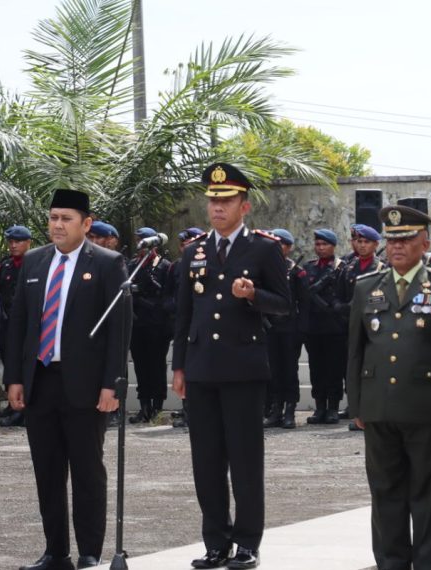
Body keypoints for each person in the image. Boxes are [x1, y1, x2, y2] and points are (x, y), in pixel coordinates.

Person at [171, 162, 290, 569]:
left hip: (243, 369)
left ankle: (247, 543)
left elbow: (285, 304)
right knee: (205, 461)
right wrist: (180, 367)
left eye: (226, 201)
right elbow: (183, 314)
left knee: (244, 460)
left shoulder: (264, 248)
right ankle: (215, 543)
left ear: (245, 205)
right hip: (202, 369)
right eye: (212, 200)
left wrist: (254, 294)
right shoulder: (194, 251)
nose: (217, 207)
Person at [5, 189, 129, 570]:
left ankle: (89, 551)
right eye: (53, 217)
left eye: (67, 219)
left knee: (88, 471)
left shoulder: (108, 263)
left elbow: (118, 331)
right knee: (47, 471)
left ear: (86, 224)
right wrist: (14, 378)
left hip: (86, 386)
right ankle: (55, 552)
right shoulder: (34, 262)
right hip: (41, 381)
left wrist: (112, 385)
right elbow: (19, 325)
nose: (57, 225)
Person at [347, 204, 431, 570]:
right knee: (385, 494)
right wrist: (357, 406)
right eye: (391, 240)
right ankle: (391, 563)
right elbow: (355, 351)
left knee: (427, 497)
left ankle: (426, 564)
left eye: (405, 239)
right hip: (378, 408)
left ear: (425, 242)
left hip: (427, 409)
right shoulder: (365, 287)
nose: (397, 247)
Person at [329, 223, 385, 431]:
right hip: (348, 325)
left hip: (372, 326)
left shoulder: (381, 269)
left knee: (372, 370)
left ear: (375, 244)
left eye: (366, 242)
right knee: (353, 368)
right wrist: (338, 306)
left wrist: (355, 307)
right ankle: (358, 411)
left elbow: (379, 299)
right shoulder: (348, 267)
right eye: (359, 241)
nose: (361, 246)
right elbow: (338, 292)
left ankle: (373, 412)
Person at [127, 227, 175, 424]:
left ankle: (157, 406)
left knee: (156, 365)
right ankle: (144, 405)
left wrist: (153, 299)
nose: (142, 245)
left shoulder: (165, 266)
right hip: (138, 323)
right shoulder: (133, 265)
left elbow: (169, 295)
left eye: (146, 241)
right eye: (139, 240)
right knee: (141, 366)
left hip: (158, 324)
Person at [300, 228, 347, 425]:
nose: (320, 248)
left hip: (335, 327)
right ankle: (320, 406)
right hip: (314, 326)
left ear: (333, 246)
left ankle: (333, 407)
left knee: (334, 368)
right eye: (318, 244)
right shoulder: (308, 268)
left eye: (324, 244)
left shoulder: (342, 268)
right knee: (316, 368)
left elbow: (345, 294)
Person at [0, 225, 33, 427]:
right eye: (11, 242)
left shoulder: (35, 264)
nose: (13, 245)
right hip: (8, 325)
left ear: (28, 243)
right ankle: (13, 405)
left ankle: (25, 411)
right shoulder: (5, 266)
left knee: (26, 368)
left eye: (18, 242)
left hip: (29, 327)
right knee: (11, 365)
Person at [263, 228, 304, 430]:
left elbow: (304, 302)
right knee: (274, 370)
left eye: (280, 244)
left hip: (290, 328)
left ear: (288, 247)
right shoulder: (266, 269)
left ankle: (290, 410)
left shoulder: (295, 270)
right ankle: (276, 410)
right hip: (271, 328)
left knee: (290, 370)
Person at [169, 227, 206, 430]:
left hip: (201, 324)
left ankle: (194, 413)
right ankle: (186, 410)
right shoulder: (176, 267)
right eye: (183, 245)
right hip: (183, 322)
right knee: (184, 369)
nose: (186, 248)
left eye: (190, 244)